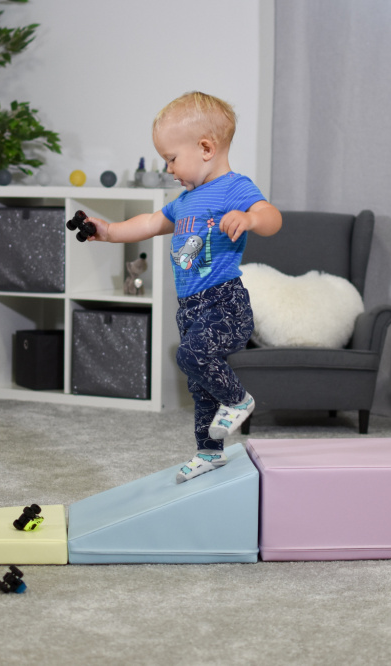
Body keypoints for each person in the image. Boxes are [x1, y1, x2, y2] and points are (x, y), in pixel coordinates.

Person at [84, 91, 282, 483]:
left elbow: (272, 217)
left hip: (224, 302)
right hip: (190, 307)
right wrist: (108, 231)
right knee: (199, 384)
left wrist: (249, 219)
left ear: (205, 148)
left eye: (172, 159)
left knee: (191, 356)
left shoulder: (233, 188)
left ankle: (238, 400)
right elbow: (150, 223)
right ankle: (209, 452)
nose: (170, 169)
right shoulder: (186, 200)